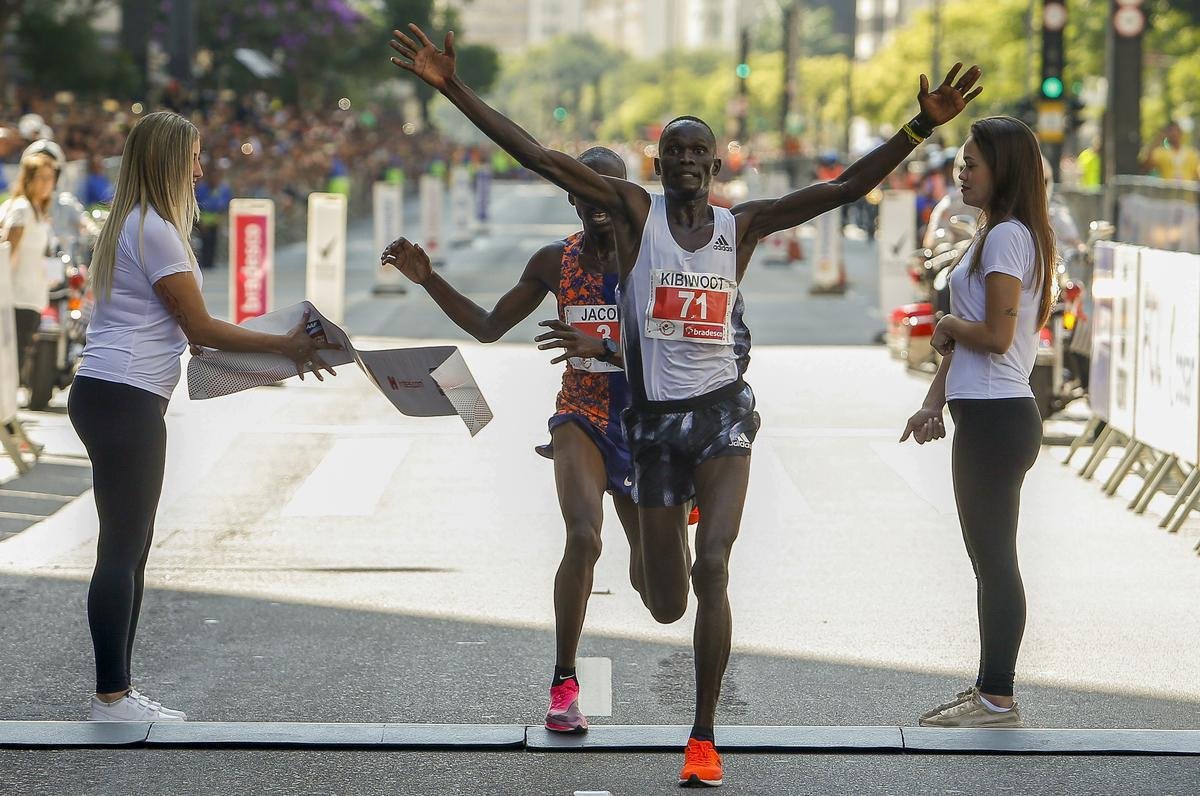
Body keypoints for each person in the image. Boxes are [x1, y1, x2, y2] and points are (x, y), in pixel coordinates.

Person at [390, 23, 981, 787]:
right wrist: (452, 88)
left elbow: (842, 190)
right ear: (658, 165)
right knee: (664, 600)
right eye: (675, 153)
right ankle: (656, 551)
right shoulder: (636, 215)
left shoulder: (744, 226)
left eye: (700, 152)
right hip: (653, 425)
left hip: (724, 416)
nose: (689, 163)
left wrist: (920, 127)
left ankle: (702, 736)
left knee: (713, 568)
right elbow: (538, 155)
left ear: (717, 162)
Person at [71, 111, 340, 722]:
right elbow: (200, 329)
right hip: (125, 396)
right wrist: (287, 347)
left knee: (130, 546)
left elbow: (194, 339)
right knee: (122, 547)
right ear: (169, 161)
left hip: (110, 392)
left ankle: (118, 691)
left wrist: (273, 359)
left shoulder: (133, 224)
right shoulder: (157, 230)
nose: (201, 167)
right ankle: (110, 697)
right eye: (192, 157)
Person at [384, 147, 647, 734]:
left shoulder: (654, 261)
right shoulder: (556, 262)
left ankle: (671, 527)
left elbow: (687, 347)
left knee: (656, 590)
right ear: (572, 197)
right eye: (587, 189)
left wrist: (608, 348)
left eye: (612, 190)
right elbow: (487, 326)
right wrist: (430, 280)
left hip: (646, 425)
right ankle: (563, 682)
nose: (600, 201)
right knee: (583, 537)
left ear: (629, 197)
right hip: (581, 413)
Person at [900, 116, 1057, 728]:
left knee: (995, 561)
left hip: (997, 418)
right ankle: (990, 690)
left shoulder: (1007, 237)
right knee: (987, 560)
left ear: (1004, 171)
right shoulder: (997, 233)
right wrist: (934, 399)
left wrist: (946, 326)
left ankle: (997, 697)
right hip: (985, 412)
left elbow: (991, 335)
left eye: (973, 163)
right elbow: (971, 338)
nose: (961, 171)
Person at [0, 151, 57, 384]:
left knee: (18, 359)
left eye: (50, 178)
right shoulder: (21, 209)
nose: (46, 183)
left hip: (32, 296)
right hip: (15, 298)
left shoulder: (39, 212)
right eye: (41, 177)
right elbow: (7, 252)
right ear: (29, 179)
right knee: (10, 361)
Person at [194, 165, 231, 270]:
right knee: (205, 242)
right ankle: (203, 263)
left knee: (214, 242)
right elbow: (197, 205)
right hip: (202, 222)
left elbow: (225, 206)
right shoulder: (201, 189)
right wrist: (200, 222)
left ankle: (211, 263)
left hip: (216, 222)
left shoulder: (223, 189)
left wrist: (221, 219)